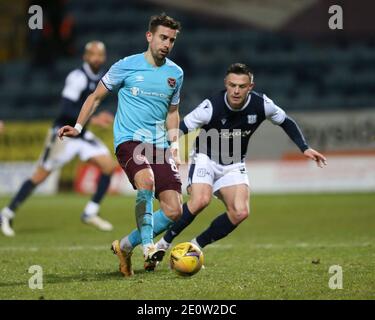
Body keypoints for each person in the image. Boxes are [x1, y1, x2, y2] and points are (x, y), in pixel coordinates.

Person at [153, 62, 327, 255]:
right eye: (232, 85)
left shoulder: (262, 105)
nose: (236, 91)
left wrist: (304, 147)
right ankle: (163, 244)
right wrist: (170, 149)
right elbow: (182, 127)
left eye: (242, 86)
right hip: (205, 158)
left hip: (234, 164)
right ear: (226, 84)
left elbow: (286, 121)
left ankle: (194, 247)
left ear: (250, 87)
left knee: (240, 212)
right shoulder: (211, 106)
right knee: (200, 200)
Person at [58, 13, 184, 276]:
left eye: (171, 40)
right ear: (149, 36)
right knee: (146, 181)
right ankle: (148, 246)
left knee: (174, 210)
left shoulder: (175, 73)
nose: (167, 44)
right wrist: (78, 127)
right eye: (163, 37)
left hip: (159, 145)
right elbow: (95, 97)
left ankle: (125, 246)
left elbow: (173, 112)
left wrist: (174, 142)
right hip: (129, 140)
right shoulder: (126, 65)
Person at [0, 41, 116, 237]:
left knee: (108, 166)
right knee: (39, 177)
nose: (97, 58)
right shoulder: (78, 77)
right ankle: (7, 213)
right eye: (93, 54)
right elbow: (66, 109)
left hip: (81, 133)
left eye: (101, 54)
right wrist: (94, 118)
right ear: (85, 57)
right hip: (63, 133)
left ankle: (90, 212)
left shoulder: (102, 77)